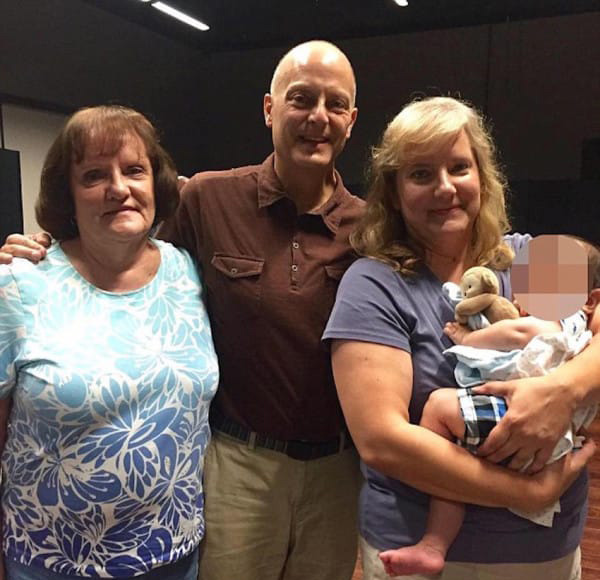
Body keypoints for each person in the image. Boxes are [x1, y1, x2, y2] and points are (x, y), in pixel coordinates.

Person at [0, 41, 364, 580]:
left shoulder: (372, 226)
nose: (317, 117)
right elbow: (117, 239)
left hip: (326, 473)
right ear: (269, 108)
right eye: (301, 98)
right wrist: (43, 249)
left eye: (335, 105)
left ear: (351, 121)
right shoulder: (209, 199)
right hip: (234, 466)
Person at [323, 96, 598, 580]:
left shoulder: (532, 257)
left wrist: (560, 391)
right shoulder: (374, 284)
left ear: (482, 178)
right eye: (421, 174)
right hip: (420, 555)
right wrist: (529, 493)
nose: (445, 187)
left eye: (458, 167)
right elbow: (383, 441)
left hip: (548, 548)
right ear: (393, 191)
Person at [0, 105, 219, 579]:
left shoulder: (187, 270)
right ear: (68, 195)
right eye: (94, 175)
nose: (119, 188)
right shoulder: (19, 283)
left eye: (134, 170)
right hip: (50, 559)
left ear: (155, 183)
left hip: (173, 551)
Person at [378, 237, 600, 577]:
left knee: (439, 407)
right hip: (551, 437)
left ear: (588, 300)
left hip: (512, 418)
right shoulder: (579, 329)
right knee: (456, 475)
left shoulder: (555, 324)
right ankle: (434, 545)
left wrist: (467, 338)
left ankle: (434, 541)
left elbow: (515, 333)